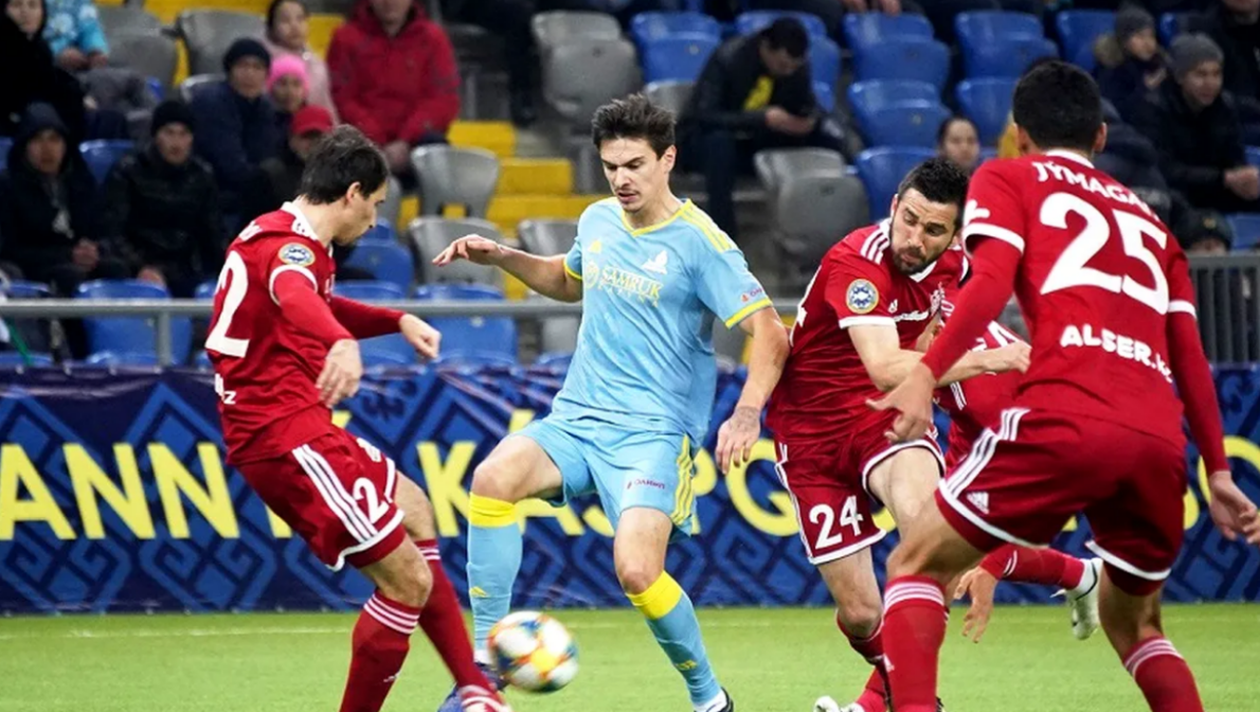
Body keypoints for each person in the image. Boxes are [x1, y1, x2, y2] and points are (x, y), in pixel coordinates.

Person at [869, 60, 1260, 712]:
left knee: (915, 564)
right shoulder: (1155, 227)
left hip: (1064, 414)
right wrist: (1217, 471)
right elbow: (1190, 356)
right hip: (1157, 442)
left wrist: (926, 373)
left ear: (1019, 135)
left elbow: (989, 282)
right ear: (1100, 137)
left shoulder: (1008, 177)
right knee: (1137, 627)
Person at [433, 94, 790, 712]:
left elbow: (770, 331)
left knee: (636, 571)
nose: (621, 179)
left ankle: (710, 699)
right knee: (492, 480)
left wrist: (747, 412)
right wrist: (506, 257)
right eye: (610, 166)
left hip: (653, 434)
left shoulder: (702, 244)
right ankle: (485, 673)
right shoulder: (598, 219)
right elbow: (569, 280)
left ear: (667, 159)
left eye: (634, 165)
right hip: (578, 418)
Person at [205, 124, 510, 712]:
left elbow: (313, 299)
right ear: (351, 194)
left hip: (303, 429)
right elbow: (296, 294)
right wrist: (340, 342)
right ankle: (469, 688)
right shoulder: (290, 249)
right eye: (374, 205)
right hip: (284, 440)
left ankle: (474, 688)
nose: (373, 222)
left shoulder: (286, 238)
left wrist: (395, 319)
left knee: (415, 506)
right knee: (407, 581)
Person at [764, 158, 1030, 712]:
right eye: (908, 220)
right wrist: (990, 359)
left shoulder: (955, 263)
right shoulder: (856, 263)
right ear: (893, 207)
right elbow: (886, 366)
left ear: (954, 234)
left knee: (931, 537)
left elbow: (930, 331)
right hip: (812, 432)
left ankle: (910, 702)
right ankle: (884, 694)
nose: (914, 238)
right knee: (862, 613)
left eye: (933, 229)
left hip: (883, 419)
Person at [677, 17, 843, 239]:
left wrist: (808, 121)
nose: (788, 72)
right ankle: (724, 235)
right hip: (709, 141)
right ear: (765, 47)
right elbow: (704, 115)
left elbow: (808, 104)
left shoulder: (795, 67)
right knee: (719, 144)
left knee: (830, 136)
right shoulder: (729, 58)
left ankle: (822, 227)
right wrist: (761, 118)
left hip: (758, 139)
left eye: (793, 67)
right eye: (783, 65)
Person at [0, 102, 128, 358]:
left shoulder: (80, 180)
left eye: (54, 139)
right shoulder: (8, 186)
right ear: (24, 145)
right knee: (70, 277)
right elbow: (9, 248)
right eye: (38, 140)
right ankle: (73, 356)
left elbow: (104, 228)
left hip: (79, 261)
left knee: (116, 270)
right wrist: (67, 255)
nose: (47, 149)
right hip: (36, 266)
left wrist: (95, 250)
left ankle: (120, 353)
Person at [100, 100, 223, 298]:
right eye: (169, 133)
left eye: (183, 134)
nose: (176, 142)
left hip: (186, 268)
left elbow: (213, 232)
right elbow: (113, 232)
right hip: (138, 266)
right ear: (156, 135)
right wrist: (140, 267)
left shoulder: (202, 175)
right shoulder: (127, 171)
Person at [327, 0, 458, 179]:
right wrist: (376, 140)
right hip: (362, 141)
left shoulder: (433, 39)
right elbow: (341, 98)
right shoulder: (345, 38)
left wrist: (406, 140)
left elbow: (443, 99)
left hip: (415, 143)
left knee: (436, 150)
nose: (390, 2)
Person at [1130, 34, 1260, 214]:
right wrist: (1224, 178)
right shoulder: (1152, 109)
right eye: (1201, 74)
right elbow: (1164, 170)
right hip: (1175, 196)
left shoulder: (1224, 106)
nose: (1210, 83)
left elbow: (1235, 158)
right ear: (1180, 77)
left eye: (1216, 74)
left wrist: (1245, 178)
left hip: (1216, 189)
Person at [191, 38, 282, 225]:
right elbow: (229, 165)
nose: (250, 74)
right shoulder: (211, 103)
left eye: (257, 67)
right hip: (210, 192)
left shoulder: (265, 107)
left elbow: (267, 156)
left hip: (247, 192)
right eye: (242, 66)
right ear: (229, 70)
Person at [1, 0, 86, 141]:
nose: (25, 12)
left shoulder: (40, 48)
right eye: (16, 5)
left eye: (33, 5)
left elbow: (50, 79)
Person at [262, 0, 338, 121]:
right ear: (271, 27)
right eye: (285, 20)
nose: (294, 26)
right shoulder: (261, 62)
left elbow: (325, 106)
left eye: (300, 19)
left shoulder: (316, 64)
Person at [1094, 6, 1169, 121]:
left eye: (1151, 36)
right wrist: (1144, 88)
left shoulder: (1159, 64)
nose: (1148, 43)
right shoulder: (1111, 70)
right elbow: (1116, 112)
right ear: (1124, 40)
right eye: (1140, 36)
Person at [42, 0, 107, 73]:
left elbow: (90, 27)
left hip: (78, 64)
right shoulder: (35, 4)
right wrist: (55, 54)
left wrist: (95, 50)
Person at [269, 53, 310, 134]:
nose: (290, 91)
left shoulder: (312, 121)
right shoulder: (262, 121)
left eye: (296, 84)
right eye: (283, 83)